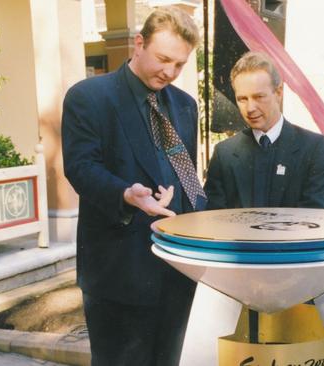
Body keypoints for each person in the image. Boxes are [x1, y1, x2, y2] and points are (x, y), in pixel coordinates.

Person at [61, 7, 204, 365]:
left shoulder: (186, 106)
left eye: (179, 65)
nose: (169, 72)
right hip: (119, 274)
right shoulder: (90, 97)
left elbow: (189, 176)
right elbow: (80, 167)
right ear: (139, 44)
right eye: (163, 59)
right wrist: (125, 194)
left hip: (177, 273)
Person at [204, 51, 324, 210]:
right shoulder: (224, 153)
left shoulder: (314, 148)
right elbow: (213, 217)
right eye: (242, 99)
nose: (250, 108)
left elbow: (315, 217)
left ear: (279, 93)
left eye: (259, 97)